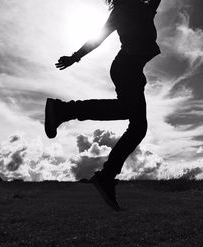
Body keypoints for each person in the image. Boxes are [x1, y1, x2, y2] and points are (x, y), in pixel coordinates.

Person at [45, 0, 162, 211]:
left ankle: (107, 176)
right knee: (130, 116)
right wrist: (74, 57)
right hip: (126, 67)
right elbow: (97, 39)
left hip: (134, 70)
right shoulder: (123, 10)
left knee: (138, 127)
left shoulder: (145, 8)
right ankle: (63, 110)